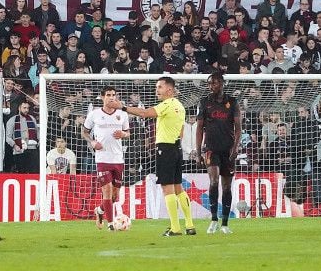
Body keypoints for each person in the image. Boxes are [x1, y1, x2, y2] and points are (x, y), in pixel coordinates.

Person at [117, 76, 195, 236]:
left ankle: (175, 228)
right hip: (177, 149)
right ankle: (190, 225)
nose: (156, 90)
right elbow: (181, 132)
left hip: (165, 149)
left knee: (167, 188)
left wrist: (123, 107)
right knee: (178, 187)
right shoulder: (180, 106)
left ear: (170, 90)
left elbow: (145, 113)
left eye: (160, 87)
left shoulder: (166, 104)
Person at [195, 72, 240, 233]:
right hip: (211, 149)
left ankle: (225, 223)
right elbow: (199, 127)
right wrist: (199, 151)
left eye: (213, 83)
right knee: (213, 182)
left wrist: (235, 149)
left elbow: (238, 128)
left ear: (221, 83)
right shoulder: (205, 102)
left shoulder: (232, 102)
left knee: (227, 187)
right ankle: (213, 219)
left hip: (228, 150)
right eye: (209, 84)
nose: (211, 86)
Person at [83, 85, 131, 230]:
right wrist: (92, 142)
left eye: (113, 95)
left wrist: (123, 134)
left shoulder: (122, 114)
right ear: (102, 97)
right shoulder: (94, 114)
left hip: (118, 159)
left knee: (115, 196)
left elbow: (128, 132)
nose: (111, 97)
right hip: (102, 159)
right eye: (108, 95)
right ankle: (111, 225)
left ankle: (99, 211)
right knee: (107, 190)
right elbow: (84, 132)